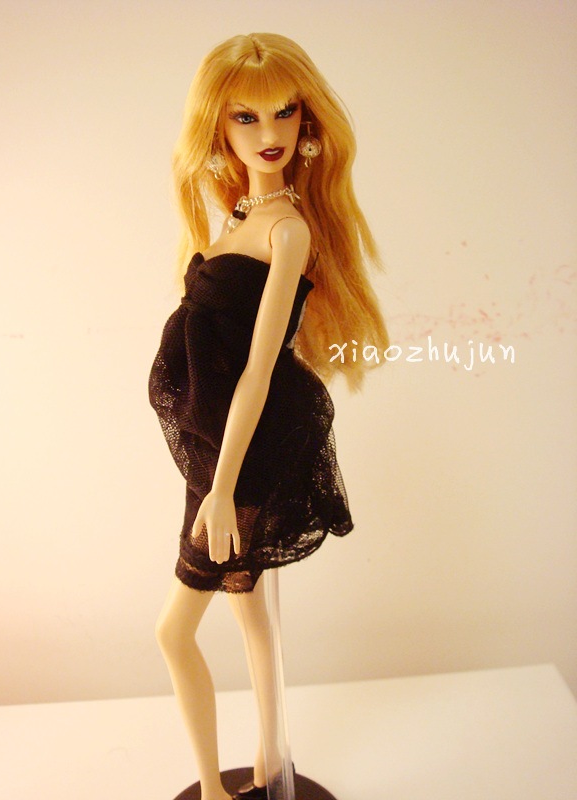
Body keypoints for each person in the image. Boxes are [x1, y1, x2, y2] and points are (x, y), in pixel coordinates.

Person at [149, 33, 388, 800]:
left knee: (174, 630)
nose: (270, 132)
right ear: (217, 126)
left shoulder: (288, 229)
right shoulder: (242, 210)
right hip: (218, 445)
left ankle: (226, 784)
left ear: (307, 120)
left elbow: (261, 367)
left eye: (284, 112)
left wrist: (222, 488)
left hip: (243, 454)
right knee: (251, 612)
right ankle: (263, 767)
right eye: (246, 117)